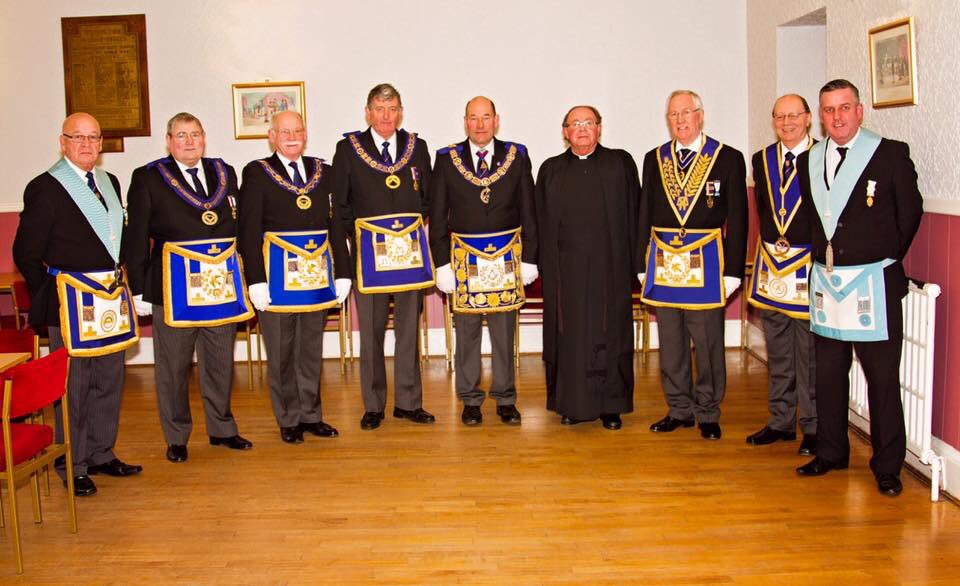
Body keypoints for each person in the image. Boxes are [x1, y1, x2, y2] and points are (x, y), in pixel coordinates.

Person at [795, 79, 923, 497]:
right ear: (821, 114)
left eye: (844, 108)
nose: (837, 117)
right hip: (828, 283)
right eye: (829, 110)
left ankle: (888, 465)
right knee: (829, 374)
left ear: (860, 110)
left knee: (882, 378)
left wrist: (882, 256)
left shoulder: (889, 155)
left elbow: (910, 214)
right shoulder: (810, 160)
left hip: (874, 283)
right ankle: (831, 451)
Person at [13, 113, 142, 497]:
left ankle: (102, 452)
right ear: (63, 141)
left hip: (108, 299)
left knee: (110, 378)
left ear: (101, 143)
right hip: (70, 303)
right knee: (75, 384)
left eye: (93, 138)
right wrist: (52, 293)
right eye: (78, 137)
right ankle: (72, 460)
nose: (86, 144)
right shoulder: (46, 187)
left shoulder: (109, 182)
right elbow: (26, 252)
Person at [126, 112, 254, 463]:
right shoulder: (148, 177)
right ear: (168, 141)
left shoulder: (223, 171)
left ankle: (222, 428)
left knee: (219, 361)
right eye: (180, 135)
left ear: (204, 137)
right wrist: (137, 287)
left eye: (194, 134)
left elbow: (238, 225)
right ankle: (177, 436)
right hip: (172, 287)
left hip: (220, 286)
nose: (188, 141)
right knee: (173, 366)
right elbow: (135, 235)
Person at [638, 90, 748, 440]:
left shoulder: (727, 157)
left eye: (686, 112)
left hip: (708, 263)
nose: (680, 120)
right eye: (673, 114)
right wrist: (643, 264)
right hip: (665, 262)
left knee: (708, 341)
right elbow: (644, 213)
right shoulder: (654, 158)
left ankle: (708, 410)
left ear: (701, 115)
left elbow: (739, 218)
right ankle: (679, 408)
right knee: (670, 341)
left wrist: (732, 271)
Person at [238, 111, 351, 444]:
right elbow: (249, 229)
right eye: (284, 131)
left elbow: (337, 226)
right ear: (272, 136)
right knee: (282, 350)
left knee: (310, 349)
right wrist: (255, 280)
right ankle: (288, 417)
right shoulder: (257, 173)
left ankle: (311, 414)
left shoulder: (323, 172)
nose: (292, 136)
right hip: (275, 280)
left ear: (306, 133)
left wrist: (342, 273)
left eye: (298, 130)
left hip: (316, 278)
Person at [429, 96, 538, 426]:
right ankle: (470, 399)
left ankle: (506, 398)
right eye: (473, 118)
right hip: (465, 259)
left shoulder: (516, 156)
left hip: (506, 256)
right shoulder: (447, 159)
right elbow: (437, 215)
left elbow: (529, 211)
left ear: (496, 120)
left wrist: (530, 259)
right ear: (465, 122)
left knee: (505, 332)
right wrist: (442, 263)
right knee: (468, 332)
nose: (480, 124)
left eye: (486, 117)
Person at [333, 83, 435, 430]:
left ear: (400, 112)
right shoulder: (348, 149)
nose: (386, 116)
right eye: (379, 108)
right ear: (368, 112)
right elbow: (341, 204)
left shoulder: (417, 147)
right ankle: (373, 405)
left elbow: (427, 198)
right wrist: (361, 239)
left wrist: (405, 231)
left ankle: (408, 402)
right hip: (369, 259)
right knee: (372, 333)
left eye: (392, 109)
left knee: (408, 331)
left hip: (409, 256)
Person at [536, 105, 639, 430]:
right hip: (565, 274)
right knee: (568, 336)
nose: (582, 129)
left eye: (588, 123)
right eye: (575, 124)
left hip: (611, 271)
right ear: (565, 132)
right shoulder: (550, 170)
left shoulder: (620, 164)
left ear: (600, 128)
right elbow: (539, 223)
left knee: (612, 333)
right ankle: (570, 403)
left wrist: (638, 265)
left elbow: (637, 218)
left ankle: (612, 405)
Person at [745, 94, 818, 455]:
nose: (786, 123)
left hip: (808, 266)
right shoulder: (761, 159)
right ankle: (780, 421)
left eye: (793, 116)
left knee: (809, 353)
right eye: (779, 117)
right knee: (778, 351)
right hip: (772, 267)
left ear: (807, 118)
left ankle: (814, 426)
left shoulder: (822, 156)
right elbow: (763, 210)